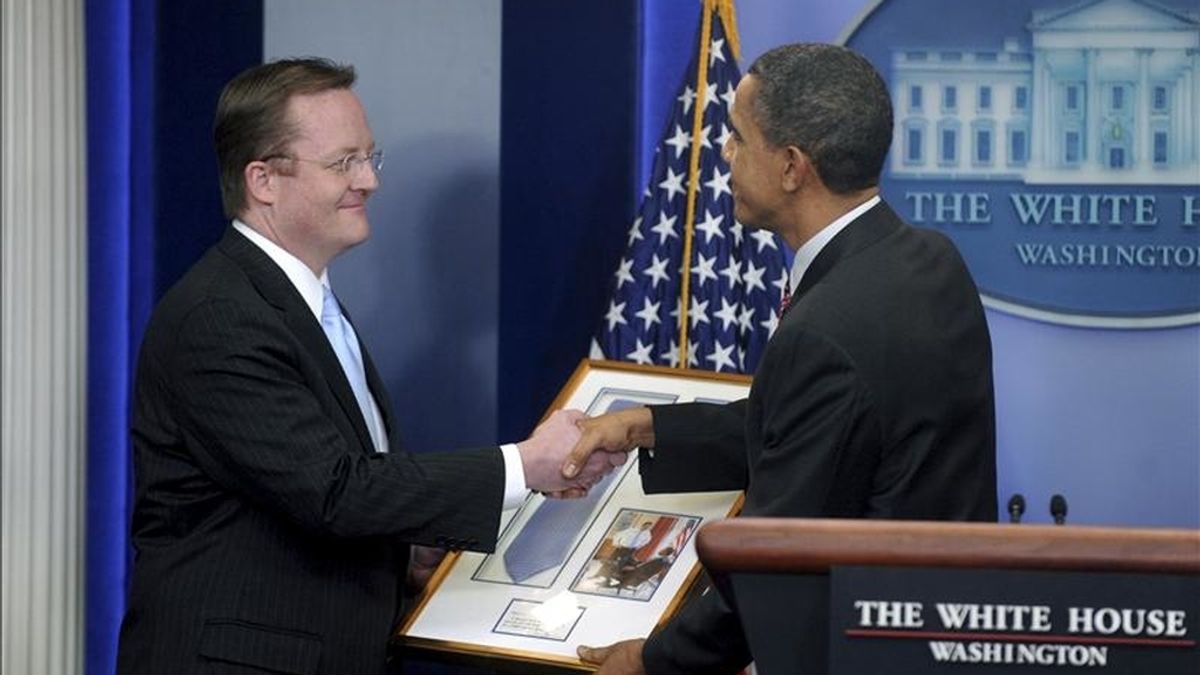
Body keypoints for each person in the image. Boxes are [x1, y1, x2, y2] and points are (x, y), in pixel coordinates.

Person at [115, 58, 611, 675]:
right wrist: (526, 465)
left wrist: (401, 553)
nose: (368, 181)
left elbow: (297, 498)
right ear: (263, 180)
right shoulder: (221, 315)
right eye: (342, 162)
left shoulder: (303, 302)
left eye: (369, 158)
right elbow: (333, 491)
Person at [564, 43, 997, 674]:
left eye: (738, 137)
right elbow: (820, 432)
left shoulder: (825, 331)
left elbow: (775, 552)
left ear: (793, 166)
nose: (724, 153)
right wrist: (649, 424)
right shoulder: (930, 260)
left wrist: (657, 661)